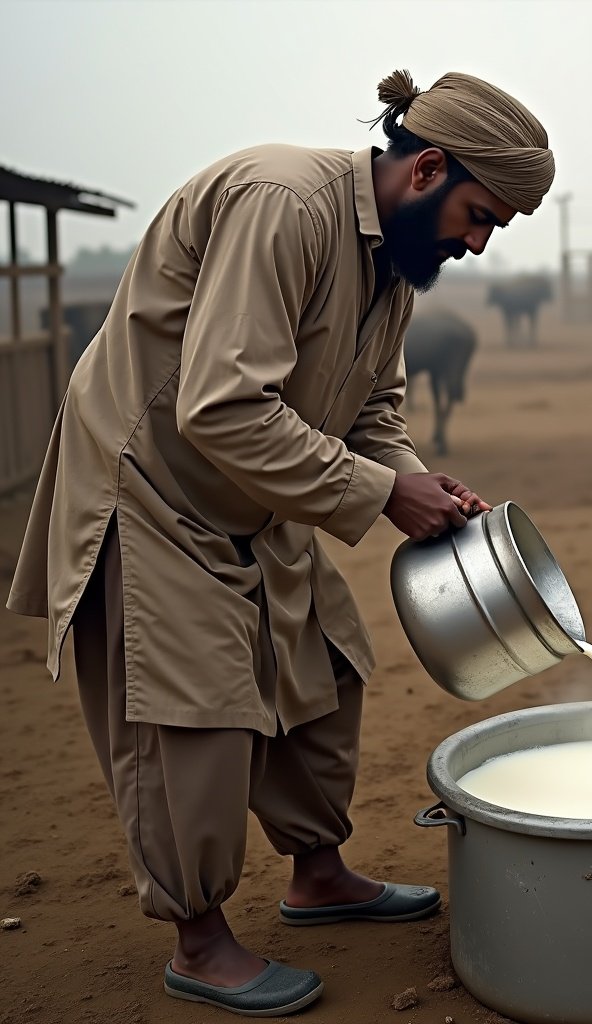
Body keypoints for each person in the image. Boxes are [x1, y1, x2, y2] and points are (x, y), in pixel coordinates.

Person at [6, 69, 554, 1017]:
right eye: (480, 216)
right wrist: (380, 492)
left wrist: (412, 481)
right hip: (152, 489)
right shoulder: (284, 205)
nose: (476, 244)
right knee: (194, 715)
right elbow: (218, 406)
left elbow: (373, 405)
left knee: (325, 667)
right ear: (425, 169)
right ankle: (200, 940)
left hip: (258, 495)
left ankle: (318, 874)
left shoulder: (395, 265)